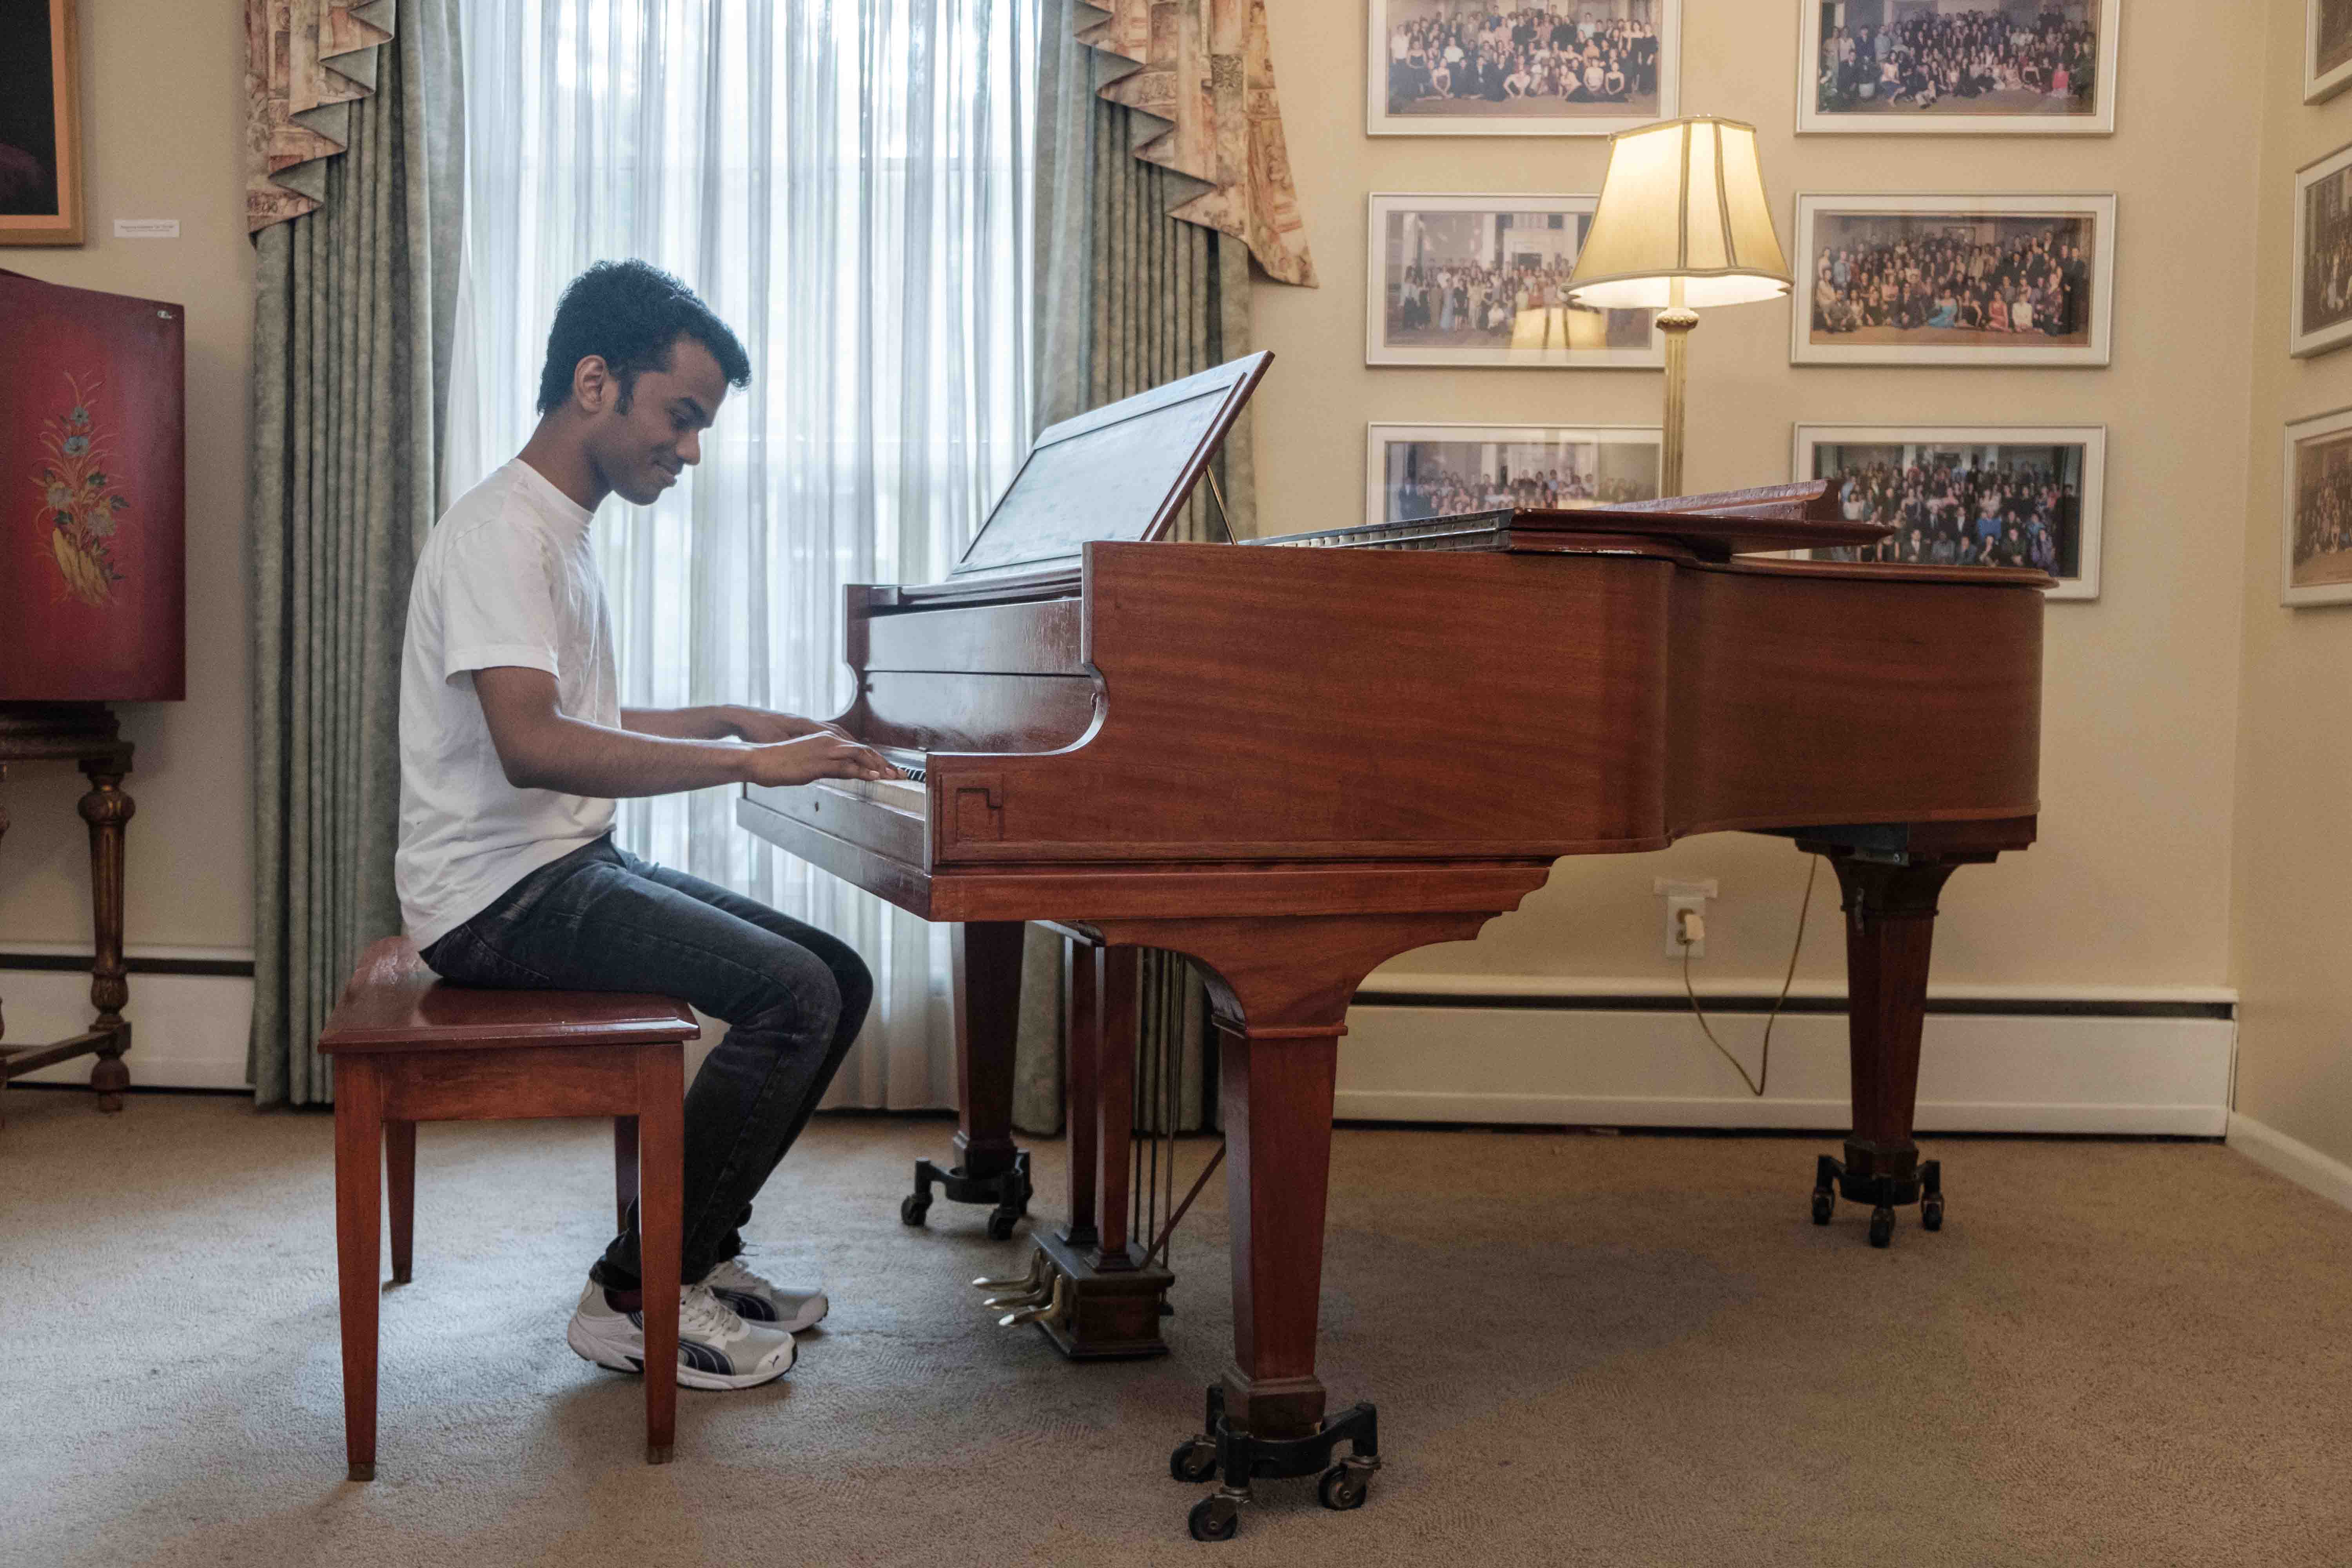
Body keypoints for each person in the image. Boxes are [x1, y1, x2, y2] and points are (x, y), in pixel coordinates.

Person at [396, 260, 904, 1391]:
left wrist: (727, 713)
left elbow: (581, 717)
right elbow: (535, 744)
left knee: (840, 974)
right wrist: (744, 761)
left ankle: (697, 1253)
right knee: (796, 998)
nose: (691, 449)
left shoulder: (553, 532)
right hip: (493, 900)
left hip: (556, 866)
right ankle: (631, 1294)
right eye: (680, 416)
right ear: (594, 382)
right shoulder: (502, 535)